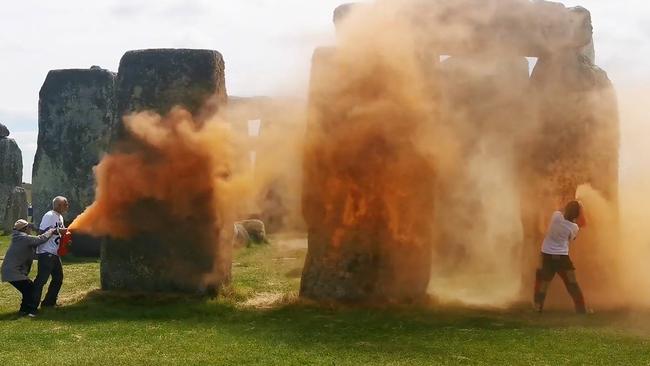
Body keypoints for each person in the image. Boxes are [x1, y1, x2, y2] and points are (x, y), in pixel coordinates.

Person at [533, 200, 587, 314]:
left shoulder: (556, 216)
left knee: (544, 282)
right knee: (572, 283)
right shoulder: (573, 227)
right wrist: (580, 208)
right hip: (562, 258)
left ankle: (538, 306)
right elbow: (573, 238)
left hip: (546, 255)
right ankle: (581, 309)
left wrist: (575, 204)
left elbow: (561, 209)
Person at [0, 219, 56, 317]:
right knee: (30, 289)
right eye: (29, 227)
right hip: (13, 271)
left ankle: (24, 310)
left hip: (10, 270)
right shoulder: (23, 238)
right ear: (25, 229)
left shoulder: (19, 238)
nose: (31, 229)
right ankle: (25, 310)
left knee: (27, 289)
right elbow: (40, 239)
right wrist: (51, 231)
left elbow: (32, 254)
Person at [32, 196, 69, 309]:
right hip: (46, 252)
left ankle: (48, 303)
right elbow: (41, 232)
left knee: (58, 278)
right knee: (41, 280)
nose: (67, 206)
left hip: (54, 252)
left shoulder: (60, 217)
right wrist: (57, 231)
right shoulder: (49, 215)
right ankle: (30, 305)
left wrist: (66, 240)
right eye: (65, 204)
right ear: (58, 205)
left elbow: (58, 234)